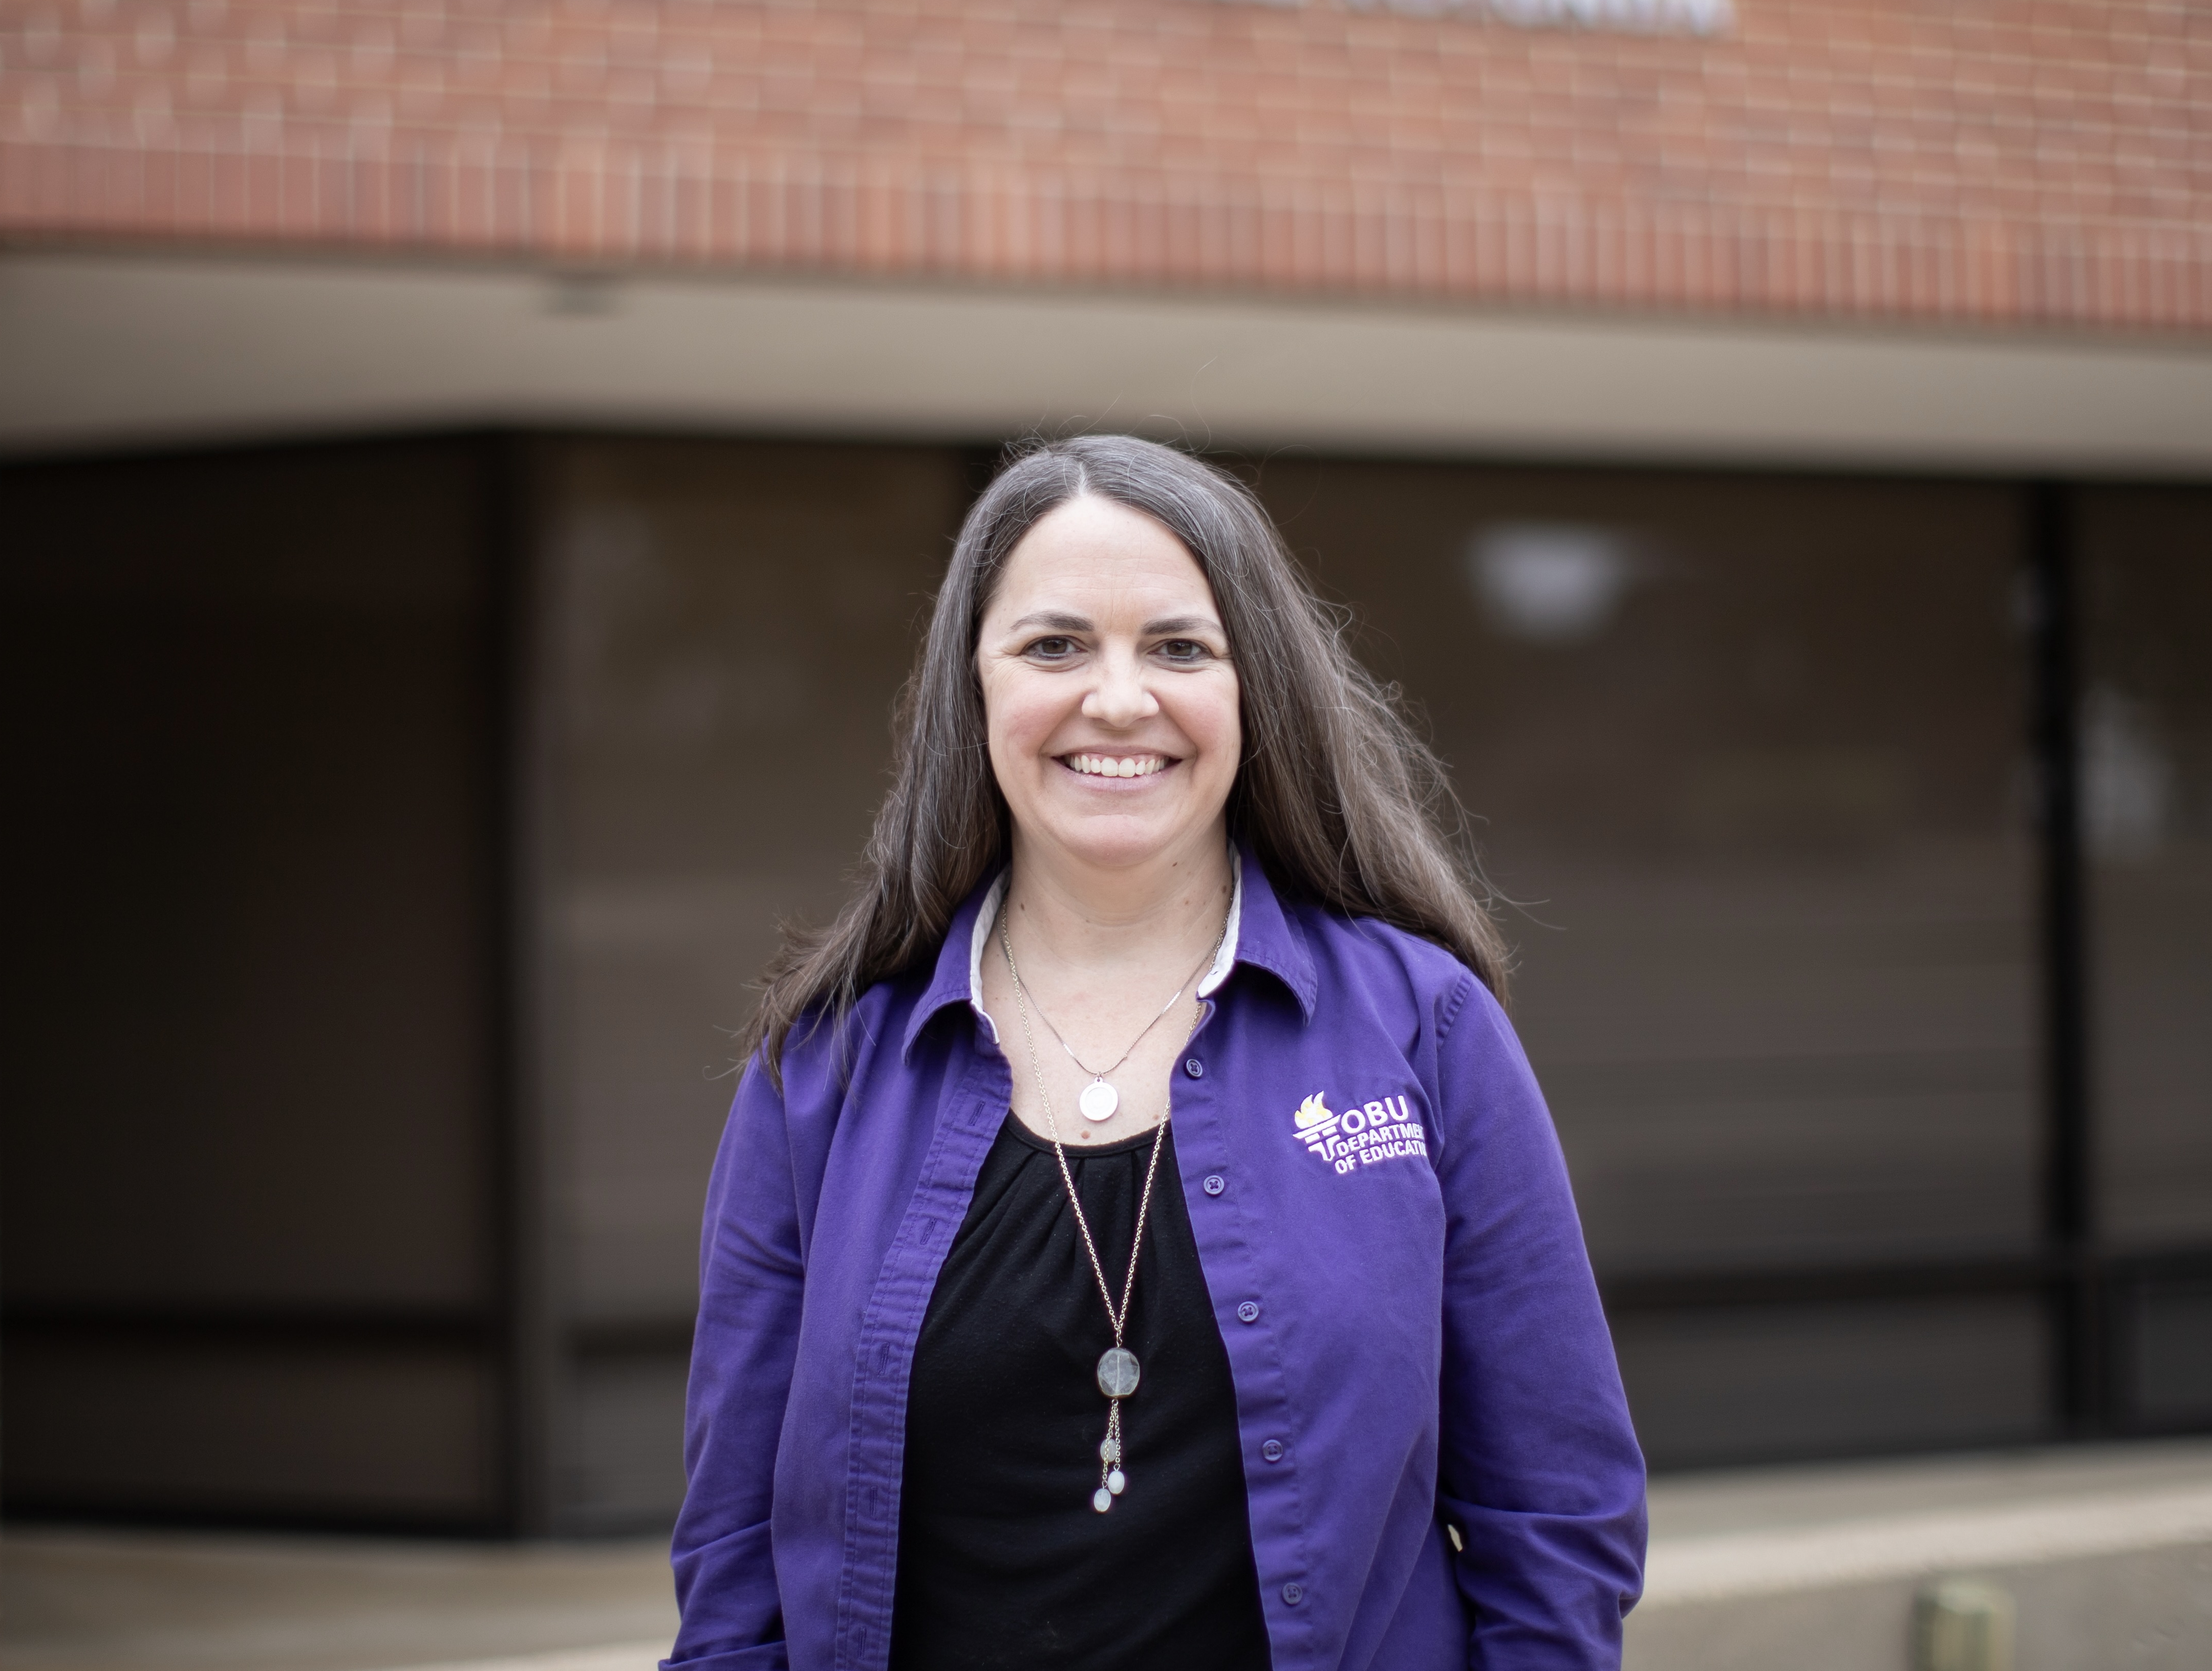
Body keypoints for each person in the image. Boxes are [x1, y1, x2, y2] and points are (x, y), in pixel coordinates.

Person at [666, 436, 1644, 1671]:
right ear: (973, 691)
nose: (1118, 699)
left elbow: (1555, 1518)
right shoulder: (825, 1070)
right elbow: (734, 1560)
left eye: (1179, 648)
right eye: (1053, 645)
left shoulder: (1422, 1026)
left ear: (1255, 690)